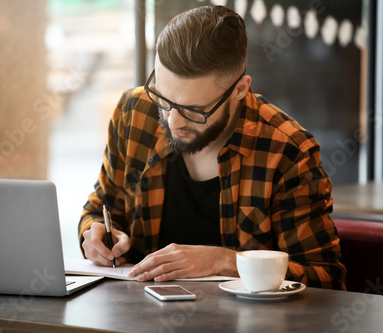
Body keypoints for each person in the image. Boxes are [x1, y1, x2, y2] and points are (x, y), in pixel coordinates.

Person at [78, 5, 346, 290]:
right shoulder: (134, 113)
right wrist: (95, 235)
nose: (172, 120)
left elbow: (326, 280)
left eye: (194, 110)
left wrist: (226, 261)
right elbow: (101, 208)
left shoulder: (287, 152)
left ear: (240, 89)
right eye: (163, 99)